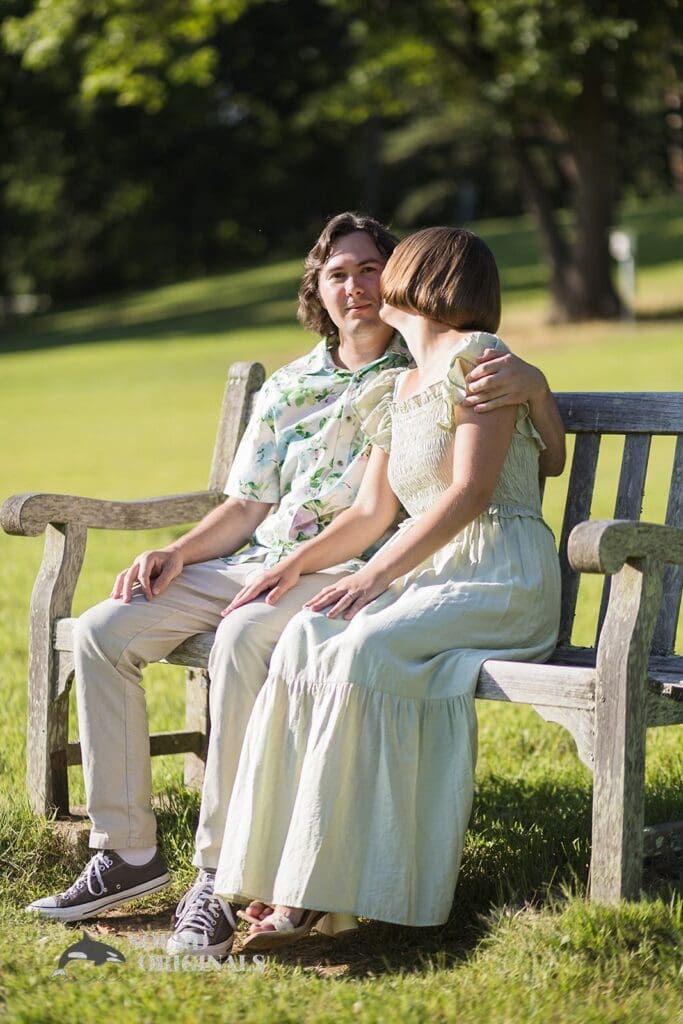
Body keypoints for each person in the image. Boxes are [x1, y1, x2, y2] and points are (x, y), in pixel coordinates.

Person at [26, 214, 564, 959]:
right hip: (278, 562)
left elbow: (475, 485)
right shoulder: (324, 385)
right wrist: (181, 552)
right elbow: (249, 503)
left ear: (405, 280)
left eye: (374, 269)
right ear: (319, 284)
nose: (359, 287)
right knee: (100, 627)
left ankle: (228, 874)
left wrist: (535, 388)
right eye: (339, 273)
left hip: (383, 570)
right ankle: (128, 854)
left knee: (258, 639)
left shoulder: (457, 362)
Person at [211, 226, 562, 947]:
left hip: (501, 575)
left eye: (389, 262)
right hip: (436, 573)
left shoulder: (479, 359)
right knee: (309, 633)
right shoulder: (396, 387)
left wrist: (374, 576)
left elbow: (473, 490)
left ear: (421, 275)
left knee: (362, 646)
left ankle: (332, 893)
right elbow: (373, 510)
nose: (373, 279)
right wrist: (297, 565)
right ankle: (281, 873)